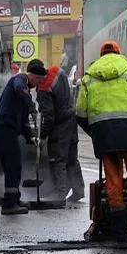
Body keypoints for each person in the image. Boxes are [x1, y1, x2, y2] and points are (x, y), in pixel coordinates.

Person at [75, 40, 127, 248]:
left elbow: (81, 114)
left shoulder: (88, 78)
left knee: (113, 182)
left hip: (104, 134)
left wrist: (96, 134)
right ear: (120, 54)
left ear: (100, 57)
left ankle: (121, 236)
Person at [32, 59, 84, 204]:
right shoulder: (58, 71)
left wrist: (42, 136)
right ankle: (78, 190)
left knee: (58, 158)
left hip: (60, 126)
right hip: (72, 119)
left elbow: (49, 117)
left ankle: (59, 193)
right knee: (72, 157)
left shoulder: (43, 88)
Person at [0, 60, 42, 215]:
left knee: (15, 165)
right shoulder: (20, 79)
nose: (38, 84)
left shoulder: (23, 92)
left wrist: (31, 138)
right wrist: (31, 105)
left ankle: (14, 198)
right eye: (39, 80)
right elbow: (19, 89)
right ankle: (9, 204)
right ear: (33, 76)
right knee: (12, 165)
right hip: (4, 128)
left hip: (9, 129)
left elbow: (22, 123)